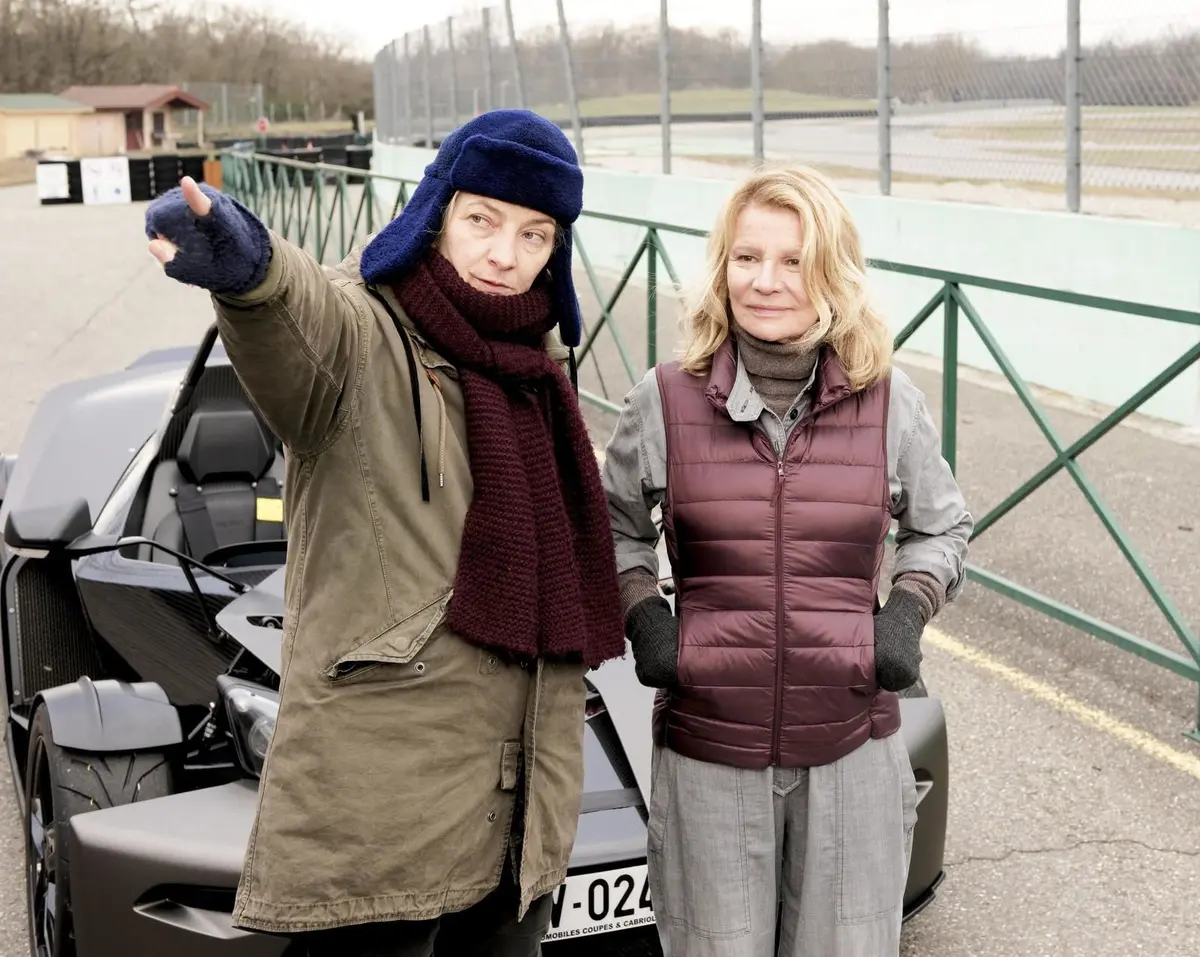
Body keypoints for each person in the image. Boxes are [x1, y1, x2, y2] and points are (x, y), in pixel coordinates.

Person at [143, 110, 627, 955]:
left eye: (534, 234)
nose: (504, 255)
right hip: (383, 799)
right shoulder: (367, 331)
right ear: (436, 212)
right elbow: (303, 320)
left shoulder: (538, 366)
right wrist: (252, 271)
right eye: (482, 220)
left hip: (519, 807)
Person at [602, 164, 973, 957]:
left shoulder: (888, 401)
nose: (764, 281)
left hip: (852, 745)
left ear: (834, 272)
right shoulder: (663, 399)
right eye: (746, 257)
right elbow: (611, 527)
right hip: (709, 750)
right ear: (722, 267)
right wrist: (645, 614)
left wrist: (907, 610)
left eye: (793, 261)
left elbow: (943, 527)